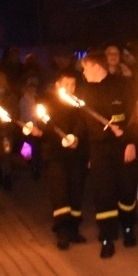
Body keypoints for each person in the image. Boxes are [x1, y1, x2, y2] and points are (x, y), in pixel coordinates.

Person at [79, 47, 138, 258]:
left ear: (96, 66)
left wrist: (131, 142)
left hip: (122, 146)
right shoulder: (85, 91)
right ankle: (107, 237)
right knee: (103, 194)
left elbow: (135, 115)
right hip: (99, 149)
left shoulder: (122, 86)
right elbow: (83, 124)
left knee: (126, 190)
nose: (83, 73)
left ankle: (128, 227)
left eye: (85, 68)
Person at [33, 69, 87, 249]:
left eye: (73, 84)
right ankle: (62, 231)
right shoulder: (48, 102)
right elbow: (43, 124)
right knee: (60, 192)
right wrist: (39, 131)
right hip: (55, 154)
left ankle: (74, 229)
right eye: (67, 84)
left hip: (75, 154)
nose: (71, 88)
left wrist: (76, 137)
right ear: (58, 85)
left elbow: (82, 122)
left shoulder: (78, 103)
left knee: (75, 191)